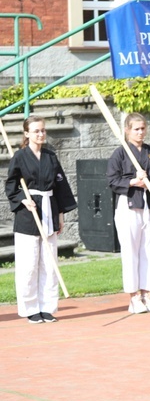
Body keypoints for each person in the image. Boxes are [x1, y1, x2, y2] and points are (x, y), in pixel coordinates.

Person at [5, 116, 77, 323]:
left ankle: (47, 306)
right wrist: (22, 199)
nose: (41, 134)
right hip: (27, 214)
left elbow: (61, 187)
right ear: (27, 134)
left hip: (49, 211)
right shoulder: (19, 157)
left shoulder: (51, 157)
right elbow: (11, 186)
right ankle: (30, 308)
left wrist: (61, 216)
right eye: (36, 131)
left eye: (43, 130)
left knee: (49, 263)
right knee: (28, 265)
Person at [106, 113, 150, 314]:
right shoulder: (120, 153)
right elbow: (112, 181)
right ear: (127, 130)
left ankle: (147, 295)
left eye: (142, 128)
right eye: (136, 129)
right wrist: (133, 181)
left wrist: (148, 182)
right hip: (128, 205)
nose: (140, 132)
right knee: (131, 251)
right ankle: (134, 298)